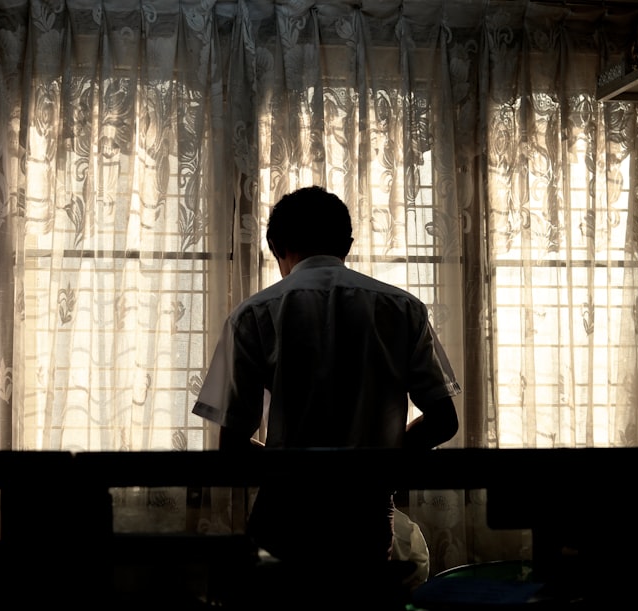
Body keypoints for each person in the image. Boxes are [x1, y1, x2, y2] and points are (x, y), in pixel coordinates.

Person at [193, 186, 460, 571]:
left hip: (285, 513)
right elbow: (443, 421)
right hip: (366, 515)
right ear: (347, 244)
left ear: (274, 244)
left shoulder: (254, 314)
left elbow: (232, 448)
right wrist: (375, 463)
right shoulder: (401, 309)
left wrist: (295, 468)